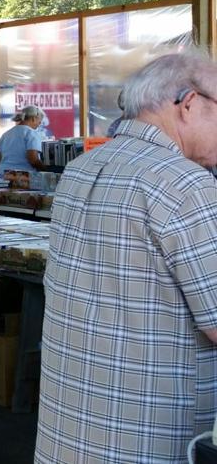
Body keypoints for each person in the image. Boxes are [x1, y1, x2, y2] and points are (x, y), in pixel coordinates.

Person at [36, 53, 217, 462]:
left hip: (76, 417)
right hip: (153, 430)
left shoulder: (84, 166)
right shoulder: (185, 182)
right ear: (189, 104)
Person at [0, 106, 46, 188]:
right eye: (39, 121)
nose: (39, 124)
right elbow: (33, 159)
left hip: (2, 177)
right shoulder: (31, 133)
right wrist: (45, 169)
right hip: (21, 179)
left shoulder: (6, 134)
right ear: (33, 118)